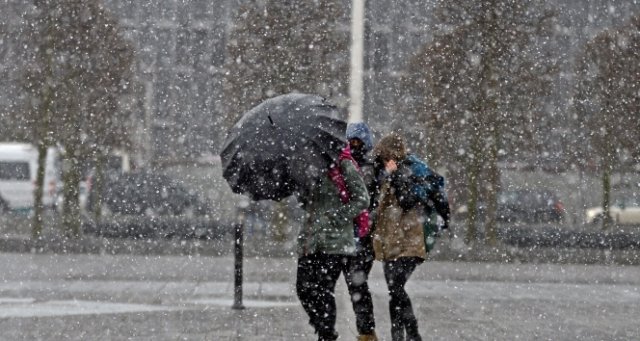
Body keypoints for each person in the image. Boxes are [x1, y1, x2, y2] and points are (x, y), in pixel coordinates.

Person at [370, 132, 450, 341]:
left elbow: (407, 201)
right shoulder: (385, 171)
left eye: (384, 156)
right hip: (391, 240)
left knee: (396, 287)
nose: (382, 160)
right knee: (394, 290)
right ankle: (399, 336)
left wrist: (395, 176)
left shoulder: (409, 170)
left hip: (411, 240)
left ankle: (411, 334)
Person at [296, 143, 370, 341]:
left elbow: (362, 199)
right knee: (303, 289)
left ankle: (326, 334)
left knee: (323, 290)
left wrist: (338, 216)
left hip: (335, 241)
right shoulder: (308, 165)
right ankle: (325, 330)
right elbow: (307, 203)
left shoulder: (343, 163)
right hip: (310, 240)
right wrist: (302, 187)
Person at [342, 122, 378, 341]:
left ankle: (366, 331)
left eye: (358, 141)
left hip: (362, 235)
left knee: (357, 284)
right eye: (351, 141)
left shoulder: (370, 167)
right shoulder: (348, 165)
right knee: (356, 285)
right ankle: (366, 330)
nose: (355, 145)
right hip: (351, 234)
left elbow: (366, 199)